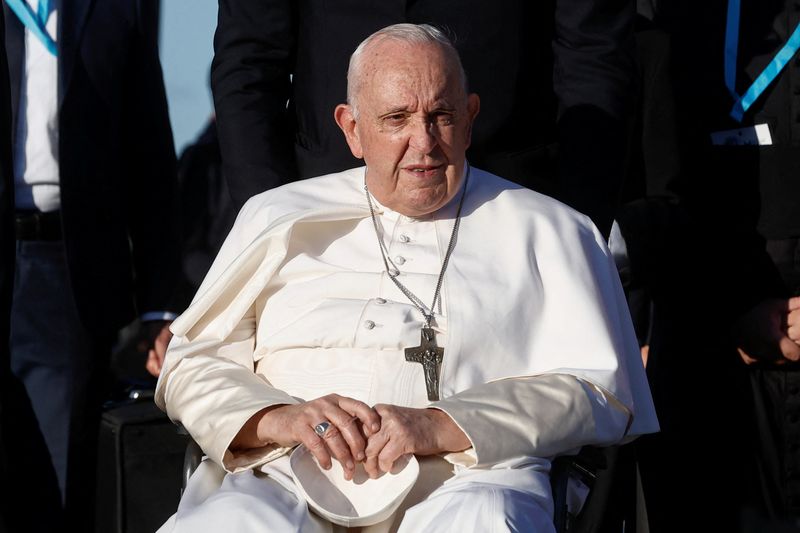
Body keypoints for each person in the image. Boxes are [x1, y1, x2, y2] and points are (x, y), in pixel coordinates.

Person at [156, 24, 657, 532]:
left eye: (442, 116)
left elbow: (602, 390)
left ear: (470, 120)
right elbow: (192, 362)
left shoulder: (551, 229)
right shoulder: (276, 216)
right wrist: (276, 418)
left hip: (468, 477)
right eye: (396, 119)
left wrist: (443, 424)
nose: (424, 142)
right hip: (283, 475)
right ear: (350, 128)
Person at [211, 0, 635, 238]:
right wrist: (269, 222)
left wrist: (579, 230)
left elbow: (594, 56)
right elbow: (249, 64)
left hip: (511, 208)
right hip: (323, 218)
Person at [0, 1, 180, 531]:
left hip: (63, 271)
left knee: (56, 481)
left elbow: (151, 159)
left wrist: (155, 304)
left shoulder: (117, 11)